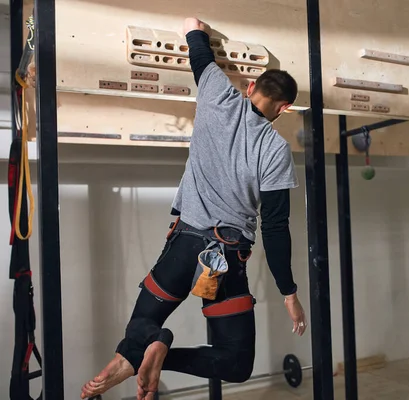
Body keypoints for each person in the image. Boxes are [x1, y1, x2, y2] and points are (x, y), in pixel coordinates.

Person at [81, 16, 307, 400]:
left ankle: (145, 349)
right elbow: (275, 226)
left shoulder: (218, 93)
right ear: (283, 108)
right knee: (235, 363)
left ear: (251, 87)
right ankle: (158, 356)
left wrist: (195, 28)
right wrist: (289, 293)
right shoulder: (275, 151)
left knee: (143, 323)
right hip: (226, 260)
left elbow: (197, 45)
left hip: (183, 246)